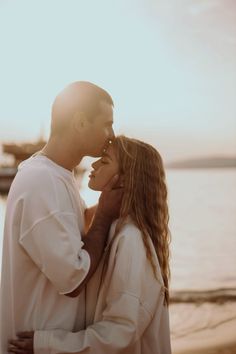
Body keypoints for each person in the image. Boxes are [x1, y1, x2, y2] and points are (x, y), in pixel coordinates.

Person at [9, 136, 172, 354]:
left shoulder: (131, 240)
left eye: (104, 161)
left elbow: (121, 333)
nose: (93, 164)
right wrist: (105, 207)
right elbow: (83, 220)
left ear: (123, 179)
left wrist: (45, 345)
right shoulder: (116, 228)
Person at [0, 81, 123, 354]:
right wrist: (103, 214)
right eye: (107, 123)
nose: (112, 134)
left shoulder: (57, 175)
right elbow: (73, 280)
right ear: (80, 122)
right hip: (34, 343)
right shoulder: (42, 181)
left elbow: (73, 228)